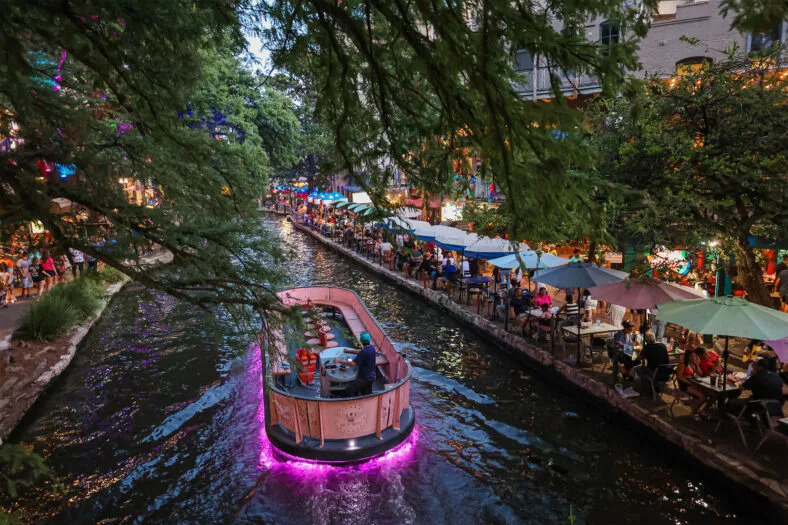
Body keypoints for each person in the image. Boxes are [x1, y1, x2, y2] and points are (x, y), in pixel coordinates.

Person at [334, 332, 377, 396]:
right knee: (366, 393)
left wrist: (339, 361)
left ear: (361, 341)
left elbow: (353, 363)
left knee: (349, 390)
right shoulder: (372, 348)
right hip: (372, 376)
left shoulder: (364, 352)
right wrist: (348, 351)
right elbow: (360, 351)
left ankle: (355, 399)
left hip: (364, 378)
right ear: (369, 340)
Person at [676, 350, 708, 416]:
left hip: (693, 382)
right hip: (685, 384)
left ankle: (701, 409)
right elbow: (679, 377)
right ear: (687, 357)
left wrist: (697, 365)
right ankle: (695, 411)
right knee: (702, 397)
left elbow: (701, 374)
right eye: (691, 356)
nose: (693, 358)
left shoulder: (694, 363)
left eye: (694, 356)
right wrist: (689, 383)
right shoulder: (683, 364)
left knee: (709, 394)